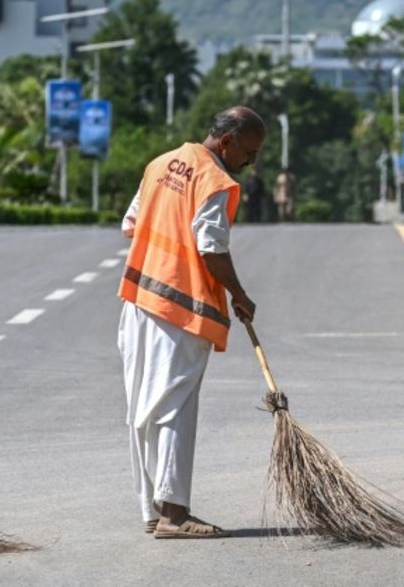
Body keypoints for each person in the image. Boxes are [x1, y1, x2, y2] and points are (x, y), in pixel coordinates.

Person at [117, 106, 265, 540]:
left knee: (142, 409)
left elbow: (130, 223)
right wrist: (239, 294)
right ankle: (175, 515)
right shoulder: (214, 179)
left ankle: (152, 509)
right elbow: (211, 246)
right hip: (180, 310)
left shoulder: (160, 164)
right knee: (176, 408)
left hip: (139, 300)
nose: (251, 161)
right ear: (226, 143)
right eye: (249, 151)